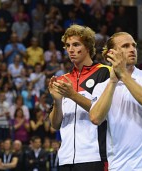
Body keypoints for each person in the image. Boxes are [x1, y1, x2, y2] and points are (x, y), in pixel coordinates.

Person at [89, 32, 142, 170]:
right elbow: (96, 118)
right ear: (110, 54)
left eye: (134, 45)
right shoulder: (101, 88)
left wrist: (123, 74)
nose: (132, 49)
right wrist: (113, 81)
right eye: (125, 46)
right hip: (120, 167)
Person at [48, 24, 110, 171]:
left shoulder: (104, 72)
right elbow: (55, 124)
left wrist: (72, 95)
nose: (71, 49)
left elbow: (104, 113)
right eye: (68, 45)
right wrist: (57, 101)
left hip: (94, 156)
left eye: (76, 44)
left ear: (88, 47)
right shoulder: (63, 79)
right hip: (65, 158)